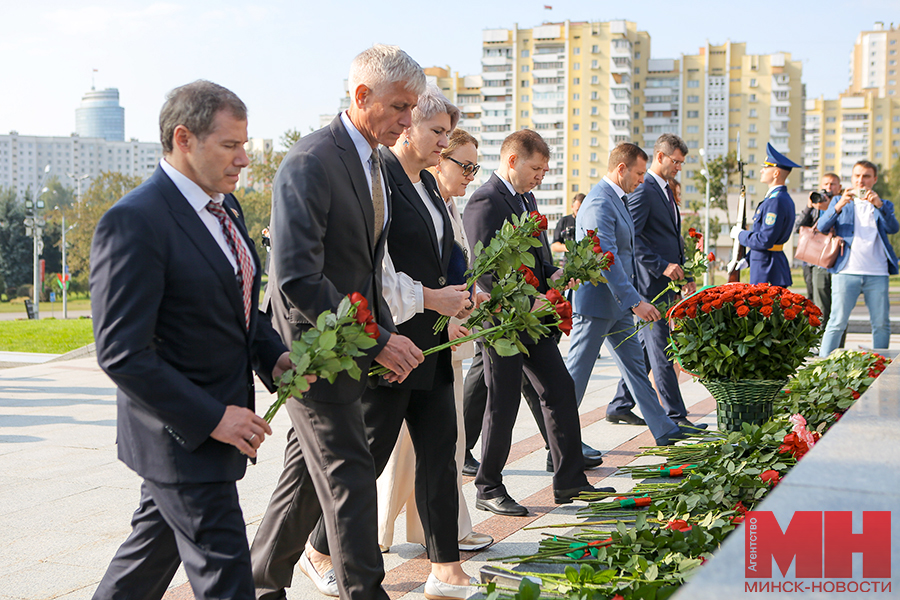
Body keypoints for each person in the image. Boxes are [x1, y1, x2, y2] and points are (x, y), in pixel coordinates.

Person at [89, 80, 293, 600]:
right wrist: (212, 417)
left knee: (142, 567)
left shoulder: (226, 209)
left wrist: (278, 362)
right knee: (228, 582)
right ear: (184, 139)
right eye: (230, 145)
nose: (244, 159)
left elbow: (241, 311)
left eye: (245, 145)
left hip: (207, 437)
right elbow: (121, 353)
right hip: (181, 439)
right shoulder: (135, 221)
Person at [250, 45, 426, 600]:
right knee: (350, 479)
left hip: (352, 348)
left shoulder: (373, 161)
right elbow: (297, 277)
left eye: (413, 108)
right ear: (361, 96)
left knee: (305, 483)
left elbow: (365, 265)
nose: (408, 119)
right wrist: (377, 341)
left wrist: (384, 335)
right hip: (314, 351)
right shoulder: (310, 162)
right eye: (400, 106)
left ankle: (255, 585)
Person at [462, 129, 614, 517]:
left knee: (560, 389)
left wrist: (560, 276)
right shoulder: (484, 202)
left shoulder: (526, 199)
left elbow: (538, 258)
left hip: (532, 318)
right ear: (512, 160)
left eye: (545, 170)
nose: (540, 177)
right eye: (536, 168)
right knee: (503, 401)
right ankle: (488, 485)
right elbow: (485, 271)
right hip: (502, 321)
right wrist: (534, 298)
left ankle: (570, 481)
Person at [376, 127, 493, 556]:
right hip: (413, 338)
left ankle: (444, 543)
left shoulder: (445, 206)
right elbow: (402, 276)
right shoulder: (403, 192)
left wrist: (471, 297)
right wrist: (443, 315)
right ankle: (373, 532)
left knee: (445, 444)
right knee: (393, 450)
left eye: (473, 166)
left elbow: (455, 271)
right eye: (464, 164)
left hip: (443, 336)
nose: (469, 173)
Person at [564, 143, 692, 448]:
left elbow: (624, 252)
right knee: (575, 378)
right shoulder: (599, 203)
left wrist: (629, 301)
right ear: (621, 169)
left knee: (636, 370)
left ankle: (664, 430)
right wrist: (635, 301)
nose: (641, 179)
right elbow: (605, 257)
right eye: (637, 173)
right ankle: (559, 443)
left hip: (616, 306)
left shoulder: (618, 199)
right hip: (597, 305)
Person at [605, 134, 705, 430]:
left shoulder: (663, 189)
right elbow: (631, 238)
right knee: (662, 349)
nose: (679, 168)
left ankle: (620, 404)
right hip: (650, 284)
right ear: (659, 157)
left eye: (682, 163)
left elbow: (669, 238)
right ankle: (675, 416)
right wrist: (662, 266)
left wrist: (683, 274)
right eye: (676, 161)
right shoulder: (646, 189)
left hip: (664, 282)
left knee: (647, 350)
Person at [817, 160, 898, 357]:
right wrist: (838, 206)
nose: (861, 181)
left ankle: (881, 368)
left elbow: (893, 228)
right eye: (857, 176)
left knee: (881, 324)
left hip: (877, 273)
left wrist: (879, 206)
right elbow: (821, 227)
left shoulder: (884, 204)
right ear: (851, 178)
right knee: (836, 322)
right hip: (846, 271)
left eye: (866, 176)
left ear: (874, 179)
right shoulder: (839, 201)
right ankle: (821, 369)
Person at [729, 143, 798, 287]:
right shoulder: (780, 199)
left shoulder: (776, 202)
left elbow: (765, 240)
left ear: (776, 173)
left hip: (767, 269)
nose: (762, 170)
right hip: (766, 264)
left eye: (766, 167)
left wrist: (741, 235)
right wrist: (748, 258)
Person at [795, 173, 845, 346]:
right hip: (813, 261)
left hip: (836, 260)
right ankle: (818, 343)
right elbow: (798, 227)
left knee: (837, 306)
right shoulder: (815, 204)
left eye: (833, 184)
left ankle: (836, 345)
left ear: (839, 187)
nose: (829, 188)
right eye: (826, 184)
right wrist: (810, 206)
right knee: (815, 303)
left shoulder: (842, 204)